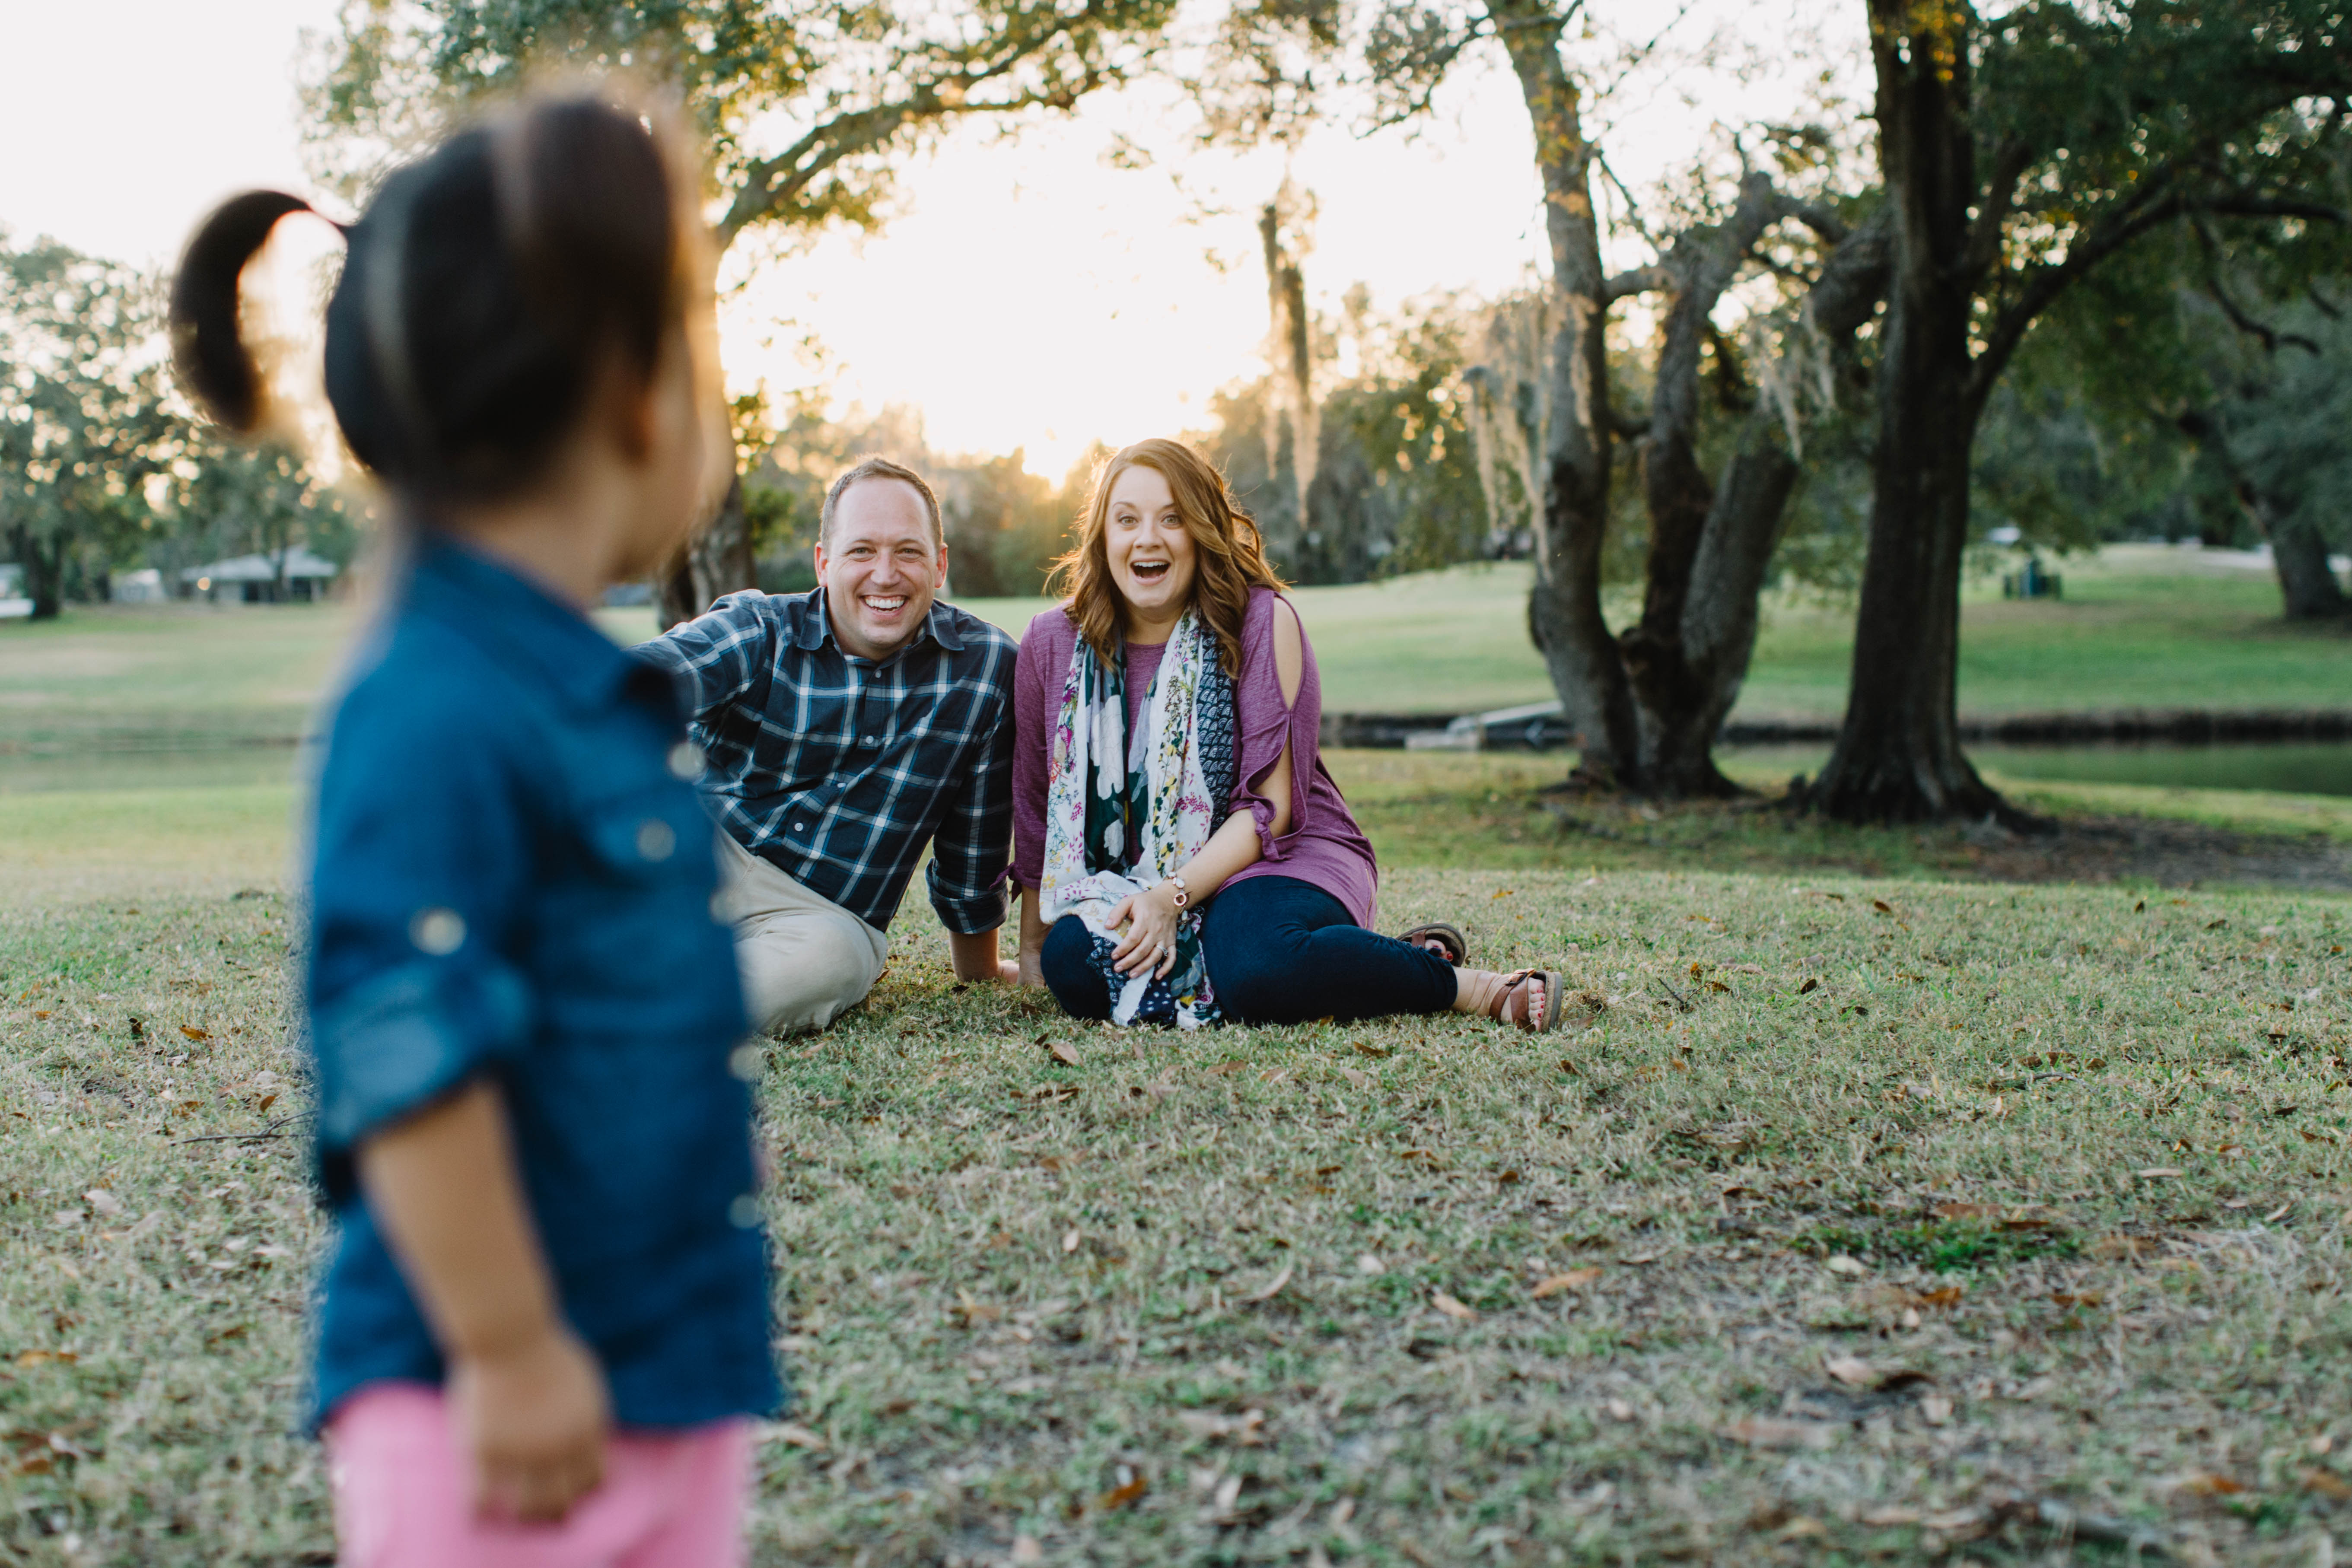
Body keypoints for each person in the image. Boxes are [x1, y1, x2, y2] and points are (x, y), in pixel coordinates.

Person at [172, 89, 778, 1565]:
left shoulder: (579, 685)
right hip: (493, 1408)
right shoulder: (432, 701)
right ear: (630, 391)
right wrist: (507, 1350)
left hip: (658, 1362)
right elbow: (404, 1046)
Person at [1010, 437, 1571, 1032]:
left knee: (1255, 966)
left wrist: (1170, 897)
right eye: (1127, 520)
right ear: (1102, 535)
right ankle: (1345, 959)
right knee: (1073, 961)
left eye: (1172, 518)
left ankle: (1468, 986)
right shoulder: (1053, 642)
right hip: (1132, 877)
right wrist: (1031, 952)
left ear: (1203, 530)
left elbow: (1271, 810)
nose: (1148, 538)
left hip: (1284, 856)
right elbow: (1037, 807)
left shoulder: (1259, 620)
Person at [637, 455, 1018, 1036]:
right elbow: (643, 681)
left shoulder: (985, 668)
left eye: (908, 551)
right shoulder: (762, 629)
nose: (885, 574)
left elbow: (976, 842)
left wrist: (981, 969)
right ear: (824, 563)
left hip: (820, 919)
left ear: (939, 565)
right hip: (698, 851)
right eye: (862, 550)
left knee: (835, 960)